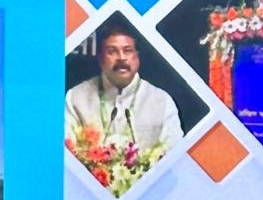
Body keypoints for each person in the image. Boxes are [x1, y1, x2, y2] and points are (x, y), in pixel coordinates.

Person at [64, 20, 182, 153]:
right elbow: (65, 153)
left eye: (127, 50)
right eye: (112, 51)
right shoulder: (75, 98)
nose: (121, 58)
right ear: (101, 59)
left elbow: (176, 154)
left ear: (137, 57)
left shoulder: (162, 101)